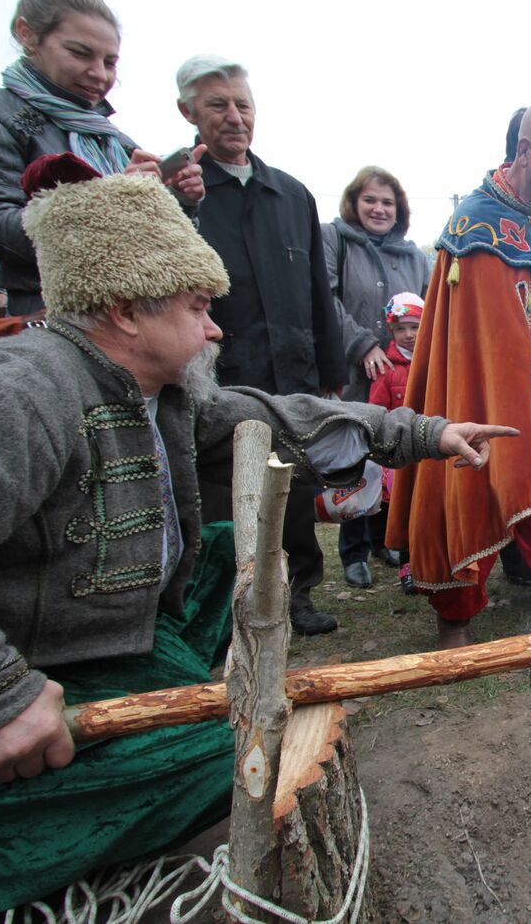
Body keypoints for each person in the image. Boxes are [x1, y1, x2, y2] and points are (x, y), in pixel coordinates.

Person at [0, 165, 512, 914]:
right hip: (38, 665)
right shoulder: (23, 386)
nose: (215, 327)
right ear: (129, 309)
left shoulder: (147, 390)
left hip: (115, 638)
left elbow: (277, 415)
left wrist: (423, 432)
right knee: (232, 761)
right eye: (200, 306)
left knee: (228, 572)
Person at [386, 99, 531, 649]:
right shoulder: (481, 221)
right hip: (477, 385)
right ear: (525, 149)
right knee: (470, 486)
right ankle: (456, 618)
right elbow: (495, 327)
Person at [176, 54, 347, 635]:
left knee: (294, 486)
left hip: (291, 369)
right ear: (188, 113)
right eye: (217, 105)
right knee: (226, 491)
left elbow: (319, 292)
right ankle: (233, 598)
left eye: (242, 104)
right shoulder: (184, 194)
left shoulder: (292, 195)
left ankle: (300, 593)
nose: (233, 117)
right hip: (222, 372)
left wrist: (330, 365)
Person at [0, 0, 206, 315]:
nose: (100, 74)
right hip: (55, 321)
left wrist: (179, 200)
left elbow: (158, 243)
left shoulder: (113, 138)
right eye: (80, 54)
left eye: (110, 62)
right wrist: (112, 198)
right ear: (27, 35)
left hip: (135, 316)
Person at [322, 166, 431, 587]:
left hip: (404, 374)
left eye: (388, 202)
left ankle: (389, 537)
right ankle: (354, 551)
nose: (379, 209)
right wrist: (363, 343)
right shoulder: (335, 240)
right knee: (355, 458)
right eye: (370, 200)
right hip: (354, 372)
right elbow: (327, 298)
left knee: (397, 457)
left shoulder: (414, 257)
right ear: (354, 202)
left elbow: (429, 313)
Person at [368, 292, 425, 594]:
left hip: (430, 449)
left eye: (415, 327)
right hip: (400, 455)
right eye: (401, 328)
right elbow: (377, 411)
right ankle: (408, 566)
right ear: (392, 331)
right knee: (403, 511)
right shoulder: (386, 368)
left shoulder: (434, 361)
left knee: (428, 508)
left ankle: (432, 560)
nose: (408, 335)